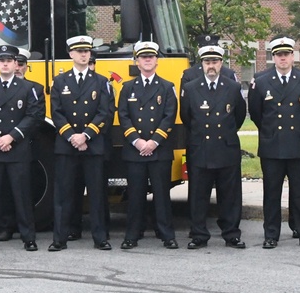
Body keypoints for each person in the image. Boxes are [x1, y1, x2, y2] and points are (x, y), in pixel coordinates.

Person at [247, 36, 300, 249]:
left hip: (298, 144)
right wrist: (270, 132)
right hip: (272, 145)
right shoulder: (260, 80)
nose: (283, 58)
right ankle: (271, 234)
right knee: (272, 193)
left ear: (292, 57)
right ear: (273, 57)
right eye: (279, 55)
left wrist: (299, 129)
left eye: (286, 54)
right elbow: (256, 114)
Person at [0, 44, 44, 252]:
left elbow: (34, 116)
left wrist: (11, 137)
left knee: (22, 196)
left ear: (16, 64)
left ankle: (28, 238)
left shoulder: (31, 88)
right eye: (1, 60)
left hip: (18, 149)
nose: (5, 64)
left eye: (9, 61)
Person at [48, 35, 114, 251]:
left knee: (96, 194)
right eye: (79, 51)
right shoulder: (59, 81)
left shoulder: (101, 81)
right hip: (67, 147)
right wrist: (73, 137)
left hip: (92, 145)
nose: (84, 55)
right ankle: (60, 238)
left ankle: (100, 238)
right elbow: (56, 113)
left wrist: (85, 136)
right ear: (71, 55)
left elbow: (104, 112)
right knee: (64, 195)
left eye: (87, 51)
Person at [180, 41, 247, 249]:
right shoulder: (191, 88)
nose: (211, 65)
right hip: (201, 148)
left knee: (230, 195)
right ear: (202, 64)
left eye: (215, 61)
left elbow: (239, 116)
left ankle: (231, 234)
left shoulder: (233, 87)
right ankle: (199, 234)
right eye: (207, 61)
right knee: (199, 195)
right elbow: (186, 117)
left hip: (226, 148)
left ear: (221, 64)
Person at [117, 41, 178, 249]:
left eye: (151, 57)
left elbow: (169, 117)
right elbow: (123, 116)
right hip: (135, 150)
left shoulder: (167, 87)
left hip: (159, 150)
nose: (148, 60)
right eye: (144, 57)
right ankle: (132, 235)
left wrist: (153, 141)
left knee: (162, 195)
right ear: (137, 61)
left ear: (157, 61)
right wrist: (137, 141)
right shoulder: (127, 87)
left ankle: (167, 234)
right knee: (135, 195)